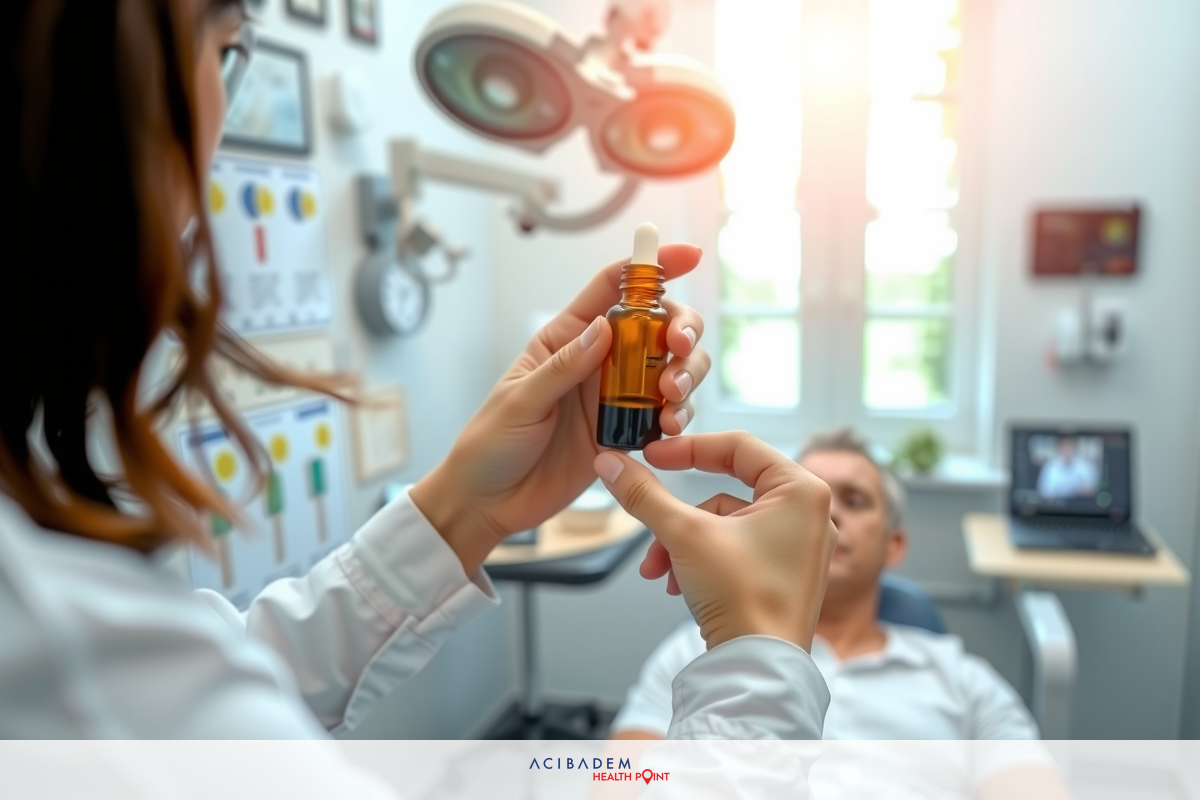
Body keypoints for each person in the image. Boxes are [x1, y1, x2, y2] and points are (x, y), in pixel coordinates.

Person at [0, 0, 838, 793]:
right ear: (82, 85)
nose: (215, 137)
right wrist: (758, 663)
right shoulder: (50, 637)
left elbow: (204, 709)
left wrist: (464, 509)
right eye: (226, 50)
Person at [611, 428, 1040, 741]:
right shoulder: (692, 652)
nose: (827, 518)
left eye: (854, 501)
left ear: (893, 545)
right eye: (808, 506)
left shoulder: (963, 683)